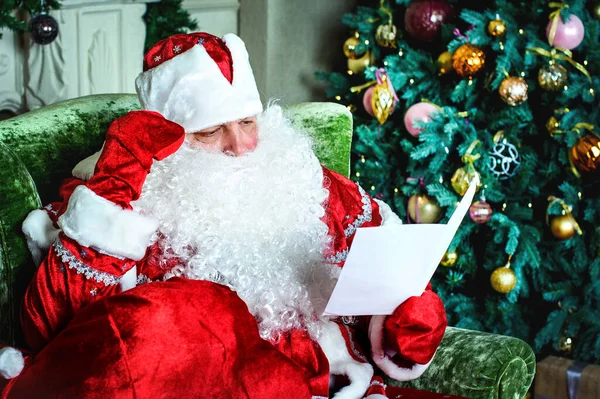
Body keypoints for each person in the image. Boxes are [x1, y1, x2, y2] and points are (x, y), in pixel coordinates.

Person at [0, 32, 447, 399]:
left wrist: (401, 325)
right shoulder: (115, 197)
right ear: (166, 138)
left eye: (248, 121)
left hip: (338, 385)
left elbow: (382, 271)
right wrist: (116, 180)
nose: (242, 145)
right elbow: (56, 332)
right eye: (212, 130)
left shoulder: (306, 179)